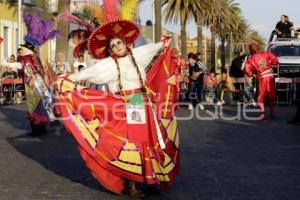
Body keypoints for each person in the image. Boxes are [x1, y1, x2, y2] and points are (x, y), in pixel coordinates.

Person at [56, 19, 180, 198]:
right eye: (113, 46)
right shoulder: (109, 65)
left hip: (144, 102)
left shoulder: (137, 55)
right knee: (136, 143)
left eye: (118, 43)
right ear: (110, 50)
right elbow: (89, 74)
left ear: (124, 43)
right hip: (131, 102)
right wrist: (69, 79)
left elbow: (155, 48)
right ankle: (132, 184)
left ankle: (151, 178)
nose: (117, 47)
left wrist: (164, 42)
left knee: (151, 140)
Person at [19, 11, 59, 135]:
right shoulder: (34, 57)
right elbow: (39, 70)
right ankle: (41, 128)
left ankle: (37, 130)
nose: (20, 49)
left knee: (36, 107)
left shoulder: (27, 57)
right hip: (39, 85)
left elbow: (27, 70)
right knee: (41, 105)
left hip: (34, 86)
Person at [244, 43, 278, 119]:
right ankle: (272, 113)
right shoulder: (266, 53)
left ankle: (262, 114)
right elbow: (275, 60)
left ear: (251, 50)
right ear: (258, 48)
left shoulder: (251, 58)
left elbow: (247, 70)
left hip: (262, 78)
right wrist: (271, 65)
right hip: (270, 76)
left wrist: (252, 73)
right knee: (271, 94)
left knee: (261, 95)